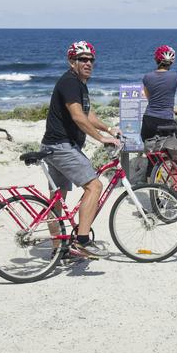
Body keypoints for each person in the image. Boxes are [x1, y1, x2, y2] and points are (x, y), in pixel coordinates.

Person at [41, 40, 120, 259]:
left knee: (57, 199)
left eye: (91, 60)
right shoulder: (70, 82)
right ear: (71, 61)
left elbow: (87, 113)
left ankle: (59, 250)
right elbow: (77, 117)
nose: (88, 63)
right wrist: (101, 139)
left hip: (53, 145)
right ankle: (83, 241)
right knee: (94, 186)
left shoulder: (78, 84)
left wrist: (109, 129)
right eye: (82, 59)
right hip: (61, 146)